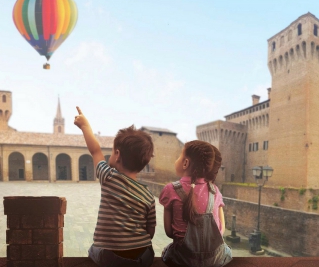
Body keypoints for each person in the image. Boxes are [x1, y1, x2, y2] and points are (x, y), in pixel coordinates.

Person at [74, 106, 156, 267]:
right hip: (144, 256)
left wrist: (85, 126)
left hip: (112, 258)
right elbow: (150, 230)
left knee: (94, 249)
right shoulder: (148, 195)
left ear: (117, 155)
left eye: (111, 151)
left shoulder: (108, 177)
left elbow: (95, 150)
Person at [159, 140, 232, 267]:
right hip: (214, 260)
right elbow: (221, 230)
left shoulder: (170, 190)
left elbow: (169, 232)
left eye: (179, 156)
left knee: (167, 252)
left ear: (185, 163)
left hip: (183, 260)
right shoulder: (214, 191)